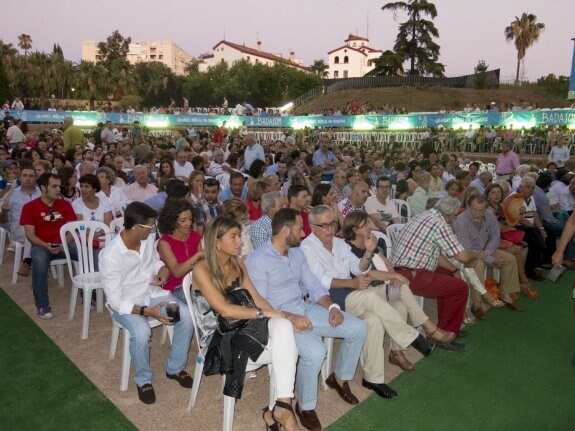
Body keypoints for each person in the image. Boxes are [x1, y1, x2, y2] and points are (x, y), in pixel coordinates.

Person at [246, 208, 367, 431]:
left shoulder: (297, 253)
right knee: (315, 352)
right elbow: (260, 303)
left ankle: (340, 378)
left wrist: (331, 306)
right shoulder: (258, 260)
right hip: (279, 318)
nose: (303, 234)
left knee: (358, 328)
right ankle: (305, 406)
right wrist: (291, 318)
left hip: (304, 306)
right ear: (285, 230)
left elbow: (312, 285)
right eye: (300, 228)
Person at [300, 205, 436, 399]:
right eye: (324, 225)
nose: (330, 229)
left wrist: (368, 253)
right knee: (372, 297)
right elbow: (321, 280)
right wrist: (353, 282)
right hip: (330, 298)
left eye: (332, 223)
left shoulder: (338, 243)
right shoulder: (307, 247)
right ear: (312, 226)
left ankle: (373, 378)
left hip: (353, 292)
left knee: (374, 320)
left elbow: (358, 268)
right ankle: (411, 337)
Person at [192, 216, 303, 431]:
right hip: (219, 338)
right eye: (233, 237)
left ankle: (282, 406)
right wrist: (265, 313)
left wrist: (283, 315)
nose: (240, 242)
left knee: (283, 328)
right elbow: (224, 309)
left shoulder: (236, 265)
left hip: (243, 327)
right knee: (286, 351)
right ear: (216, 241)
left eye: (239, 236)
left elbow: (257, 297)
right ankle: (277, 412)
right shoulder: (201, 270)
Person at [100, 202, 194, 404]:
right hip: (126, 306)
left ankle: (175, 368)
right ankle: (143, 380)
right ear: (136, 227)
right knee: (142, 332)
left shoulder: (147, 238)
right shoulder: (110, 256)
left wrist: (163, 271)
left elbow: (156, 263)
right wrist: (148, 311)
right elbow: (115, 301)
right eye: (151, 225)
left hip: (152, 294)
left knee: (185, 316)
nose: (154, 229)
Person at [391, 197, 479, 346]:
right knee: (460, 288)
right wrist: (475, 255)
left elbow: (435, 254)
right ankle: (445, 334)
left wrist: (454, 269)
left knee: (450, 276)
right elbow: (463, 256)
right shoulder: (440, 225)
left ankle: (446, 327)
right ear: (451, 215)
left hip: (402, 269)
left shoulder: (422, 216)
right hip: (410, 275)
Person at [20, 173, 78, 319]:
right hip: (41, 245)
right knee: (39, 260)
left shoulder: (65, 205)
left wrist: (64, 243)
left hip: (64, 245)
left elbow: (72, 229)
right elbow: (30, 235)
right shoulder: (29, 207)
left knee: (87, 253)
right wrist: (45, 245)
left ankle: (92, 293)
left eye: (59, 186)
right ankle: (42, 305)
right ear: (43, 188)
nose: (58, 189)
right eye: (54, 186)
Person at [452, 195, 523, 313]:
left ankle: (505, 294)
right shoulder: (460, 221)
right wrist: (490, 259)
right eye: (474, 209)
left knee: (509, 259)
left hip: (486, 250)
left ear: (486, 209)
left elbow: (495, 236)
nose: (477, 213)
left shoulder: (490, 216)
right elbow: (467, 249)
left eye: (481, 210)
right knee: (479, 265)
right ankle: (477, 302)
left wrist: (487, 253)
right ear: (468, 207)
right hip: (468, 255)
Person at [157, 199, 204, 303]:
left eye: (190, 219)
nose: (188, 223)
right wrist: (197, 257)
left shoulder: (194, 236)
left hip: (197, 283)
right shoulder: (164, 243)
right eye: (183, 220)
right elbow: (177, 272)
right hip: (177, 288)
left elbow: (202, 265)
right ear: (172, 221)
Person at [1, 164, 41, 276]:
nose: (28, 178)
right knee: (30, 231)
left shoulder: (41, 193)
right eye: (25, 175)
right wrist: (4, 211)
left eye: (31, 176)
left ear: (36, 178)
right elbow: (2, 221)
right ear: (20, 177)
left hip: (40, 228)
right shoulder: (12, 194)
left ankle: (29, 261)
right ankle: (28, 261)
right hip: (19, 230)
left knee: (36, 230)